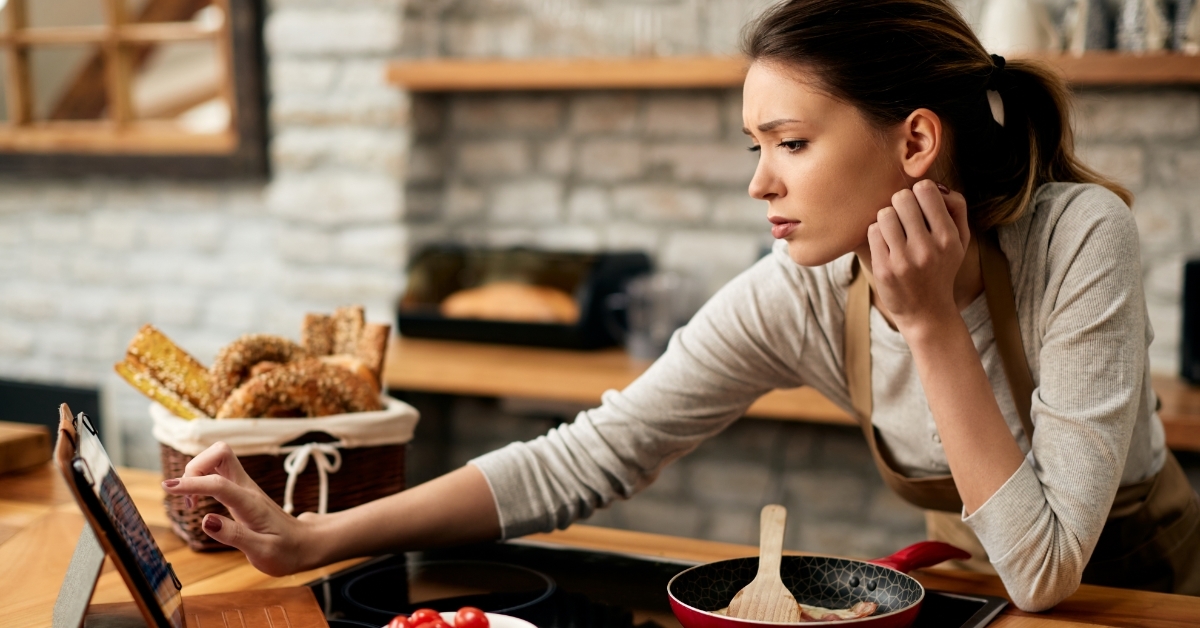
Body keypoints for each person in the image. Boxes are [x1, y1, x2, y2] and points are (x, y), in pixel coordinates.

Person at [162, 0, 1200, 612]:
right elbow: (590, 455)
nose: (761, 184)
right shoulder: (800, 294)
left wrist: (927, 321)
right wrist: (318, 535)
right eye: (756, 149)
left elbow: (1048, 571)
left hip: (1147, 599)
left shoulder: (1076, 241)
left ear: (916, 142)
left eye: (790, 143)